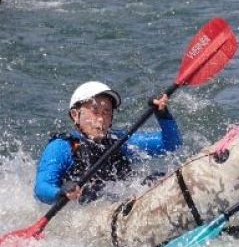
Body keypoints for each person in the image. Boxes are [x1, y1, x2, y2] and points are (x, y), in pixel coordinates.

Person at [34, 81, 181, 205]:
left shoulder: (120, 141)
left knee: (156, 178)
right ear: (75, 115)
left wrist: (162, 114)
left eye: (106, 112)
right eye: (95, 111)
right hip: (90, 212)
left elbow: (171, 144)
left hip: (123, 203)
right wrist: (61, 192)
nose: (101, 119)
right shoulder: (62, 147)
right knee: (94, 192)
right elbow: (41, 188)